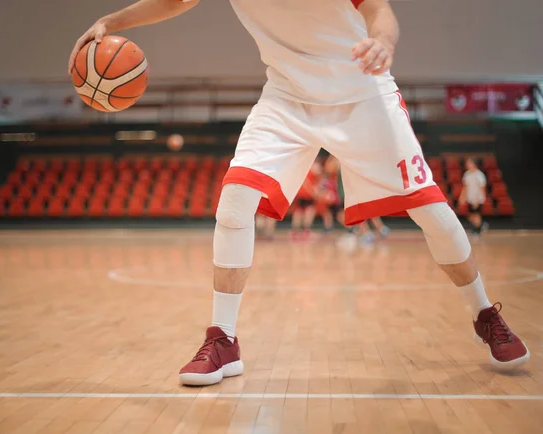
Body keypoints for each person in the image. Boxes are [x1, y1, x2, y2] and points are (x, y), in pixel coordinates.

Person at [70, 0, 529, 386]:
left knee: (433, 213)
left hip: (362, 93)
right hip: (287, 97)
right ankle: (222, 340)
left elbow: (380, 11)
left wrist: (383, 42)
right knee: (234, 204)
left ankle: (485, 315)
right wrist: (111, 22)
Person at [290, 161, 320, 241]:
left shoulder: (302, 165)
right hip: (306, 194)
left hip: (301, 192)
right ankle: (304, 232)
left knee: (299, 211)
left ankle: (296, 232)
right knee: (307, 212)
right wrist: (313, 191)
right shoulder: (313, 166)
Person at [460, 158, 487, 237]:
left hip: (478, 199)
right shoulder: (466, 174)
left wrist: (478, 200)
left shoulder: (480, 175)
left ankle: (477, 232)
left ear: (474, 164)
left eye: (469, 163)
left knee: (476, 215)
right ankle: (482, 225)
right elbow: (465, 187)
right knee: (470, 215)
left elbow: (482, 189)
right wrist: (462, 197)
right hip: (470, 198)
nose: (467, 165)